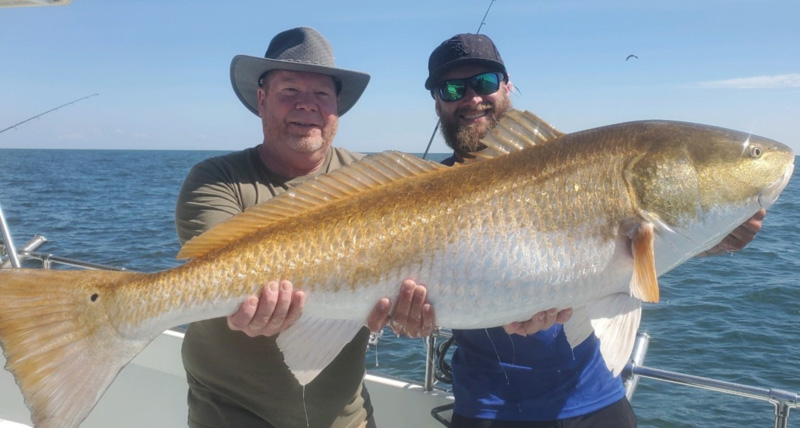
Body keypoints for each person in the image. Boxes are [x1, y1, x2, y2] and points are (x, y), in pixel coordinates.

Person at [423, 33, 766, 428]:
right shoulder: (420, 199)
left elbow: (618, 252)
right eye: (452, 89)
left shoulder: (572, 166)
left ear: (507, 86)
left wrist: (709, 239)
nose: (471, 98)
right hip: (486, 407)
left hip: (594, 398)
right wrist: (411, 319)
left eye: (484, 82)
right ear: (437, 102)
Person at [174, 27, 433, 428]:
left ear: (336, 108)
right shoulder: (216, 179)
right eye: (290, 90)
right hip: (229, 414)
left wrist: (412, 312)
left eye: (322, 94)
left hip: (346, 417)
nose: (307, 104)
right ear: (262, 100)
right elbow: (215, 276)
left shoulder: (378, 182)